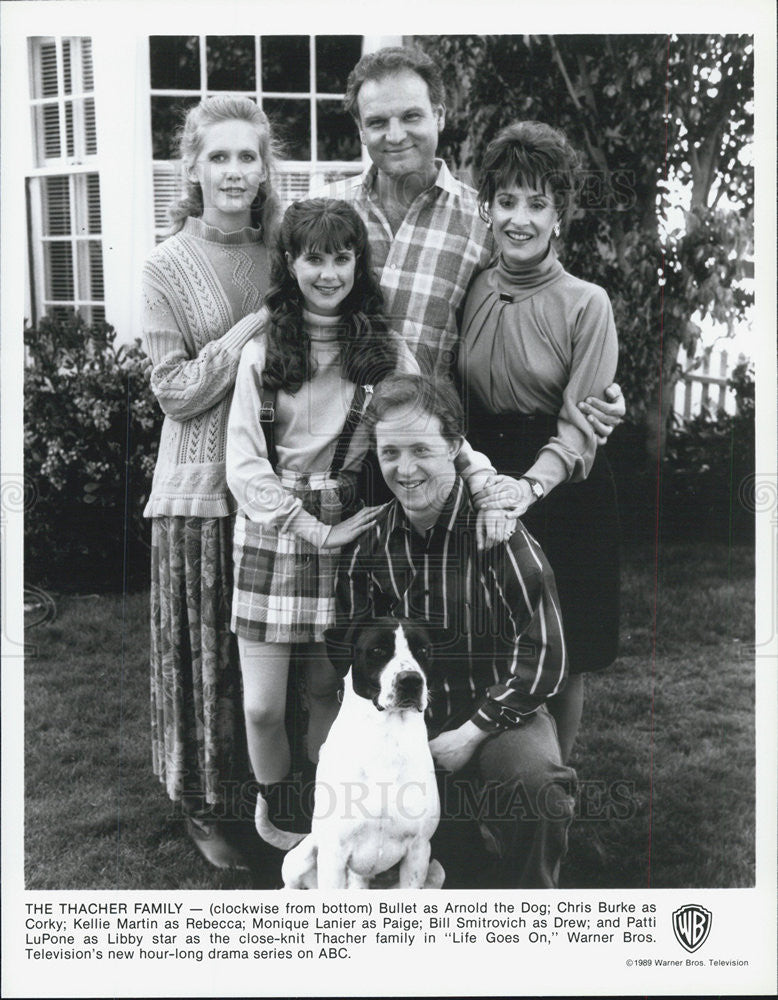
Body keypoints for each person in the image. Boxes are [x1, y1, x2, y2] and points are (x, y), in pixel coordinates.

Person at [225, 199, 498, 835]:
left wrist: (482, 477)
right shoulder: (262, 349)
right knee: (264, 706)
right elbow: (242, 463)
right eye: (313, 258)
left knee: (327, 690)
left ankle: (329, 814)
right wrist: (306, 525)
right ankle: (275, 807)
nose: (328, 273)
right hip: (273, 527)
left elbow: (432, 425)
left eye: (341, 258)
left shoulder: (382, 347)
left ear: (358, 263)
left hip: (347, 528)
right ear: (289, 263)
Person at [329, 374, 576, 888]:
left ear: (455, 449)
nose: (406, 468)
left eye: (422, 448)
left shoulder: (499, 532)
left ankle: (533, 910)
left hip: (494, 711)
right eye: (390, 451)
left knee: (538, 790)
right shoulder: (369, 544)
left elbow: (546, 651)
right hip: (401, 720)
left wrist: (471, 734)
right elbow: (350, 653)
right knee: (420, 855)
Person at [325, 44, 623, 441]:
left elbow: (537, 313)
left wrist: (591, 394)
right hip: (326, 447)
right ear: (360, 129)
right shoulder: (325, 213)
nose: (395, 135)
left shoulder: (486, 223)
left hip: (428, 455)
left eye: (411, 116)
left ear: (440, 116)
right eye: (377, 122)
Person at [142, 95, 280, 869]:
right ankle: (202, 805)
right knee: (201, 656)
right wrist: (249, 328)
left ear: (265, 170)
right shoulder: (164, 265)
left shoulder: (282, 258)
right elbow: (174, 390)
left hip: (265, 486)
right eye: (218, 156)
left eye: (247, 157)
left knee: (257, 663)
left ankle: (269, 796)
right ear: (192, 167)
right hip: (195, 495)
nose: (234, 172)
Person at [459, 121, 621, 761]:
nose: (518, 219)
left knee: (565, 650)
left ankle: (555, 793)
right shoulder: (471, 287)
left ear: (561, 216)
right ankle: (491, 788)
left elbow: (582, 425)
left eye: (537, 204)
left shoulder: (588, 303)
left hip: (563, 490)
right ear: (487, 208)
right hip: (484, 478)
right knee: (494, 639)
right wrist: (485, 482)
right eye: (506, 201)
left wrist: (528, 487)